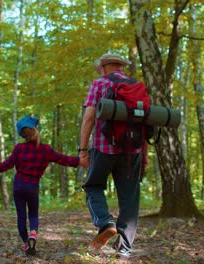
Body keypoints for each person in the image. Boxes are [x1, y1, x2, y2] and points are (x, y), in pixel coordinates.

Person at [0, 116, 89, 256]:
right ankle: (33, 234)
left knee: (21, 216)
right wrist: (79, 161)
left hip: (18, 186)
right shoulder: (45, 150)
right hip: (32, 186)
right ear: (36, 130)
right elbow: (63, 159)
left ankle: (27, 243)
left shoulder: (19, 149)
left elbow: (6, 165)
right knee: (33, 214)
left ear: (22, 134)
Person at [78, 53, 142, 259]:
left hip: (104, 148)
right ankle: (124, 249)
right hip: (133, 150)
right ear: (121, 66)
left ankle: (105, 222)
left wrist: (83, 149)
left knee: (93, 186)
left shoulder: (100, 84)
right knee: (129, 198)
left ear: (104, 66)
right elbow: (144, 123)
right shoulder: (136, 86)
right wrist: (145, 154)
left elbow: (89, 117)